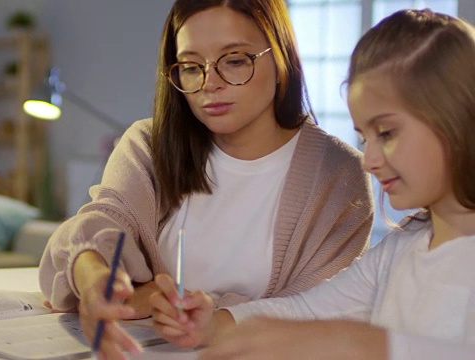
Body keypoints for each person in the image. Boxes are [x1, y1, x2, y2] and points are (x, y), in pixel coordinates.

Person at [39, 0, 373, 357]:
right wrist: (95, 281)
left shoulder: (337, 175)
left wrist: (176, 303)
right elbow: (95, 227)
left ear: (281, 60)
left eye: (234, 60)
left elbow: (313, 311)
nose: (209, 84)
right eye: (191, 66)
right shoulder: (148, 146)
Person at [149, 8, 475, 360]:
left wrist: (360, 344)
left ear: (457, 116)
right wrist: (213, 324)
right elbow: (307, 310)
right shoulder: (401, 250)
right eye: (365, 138)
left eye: (387, 133)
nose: (369, 160)